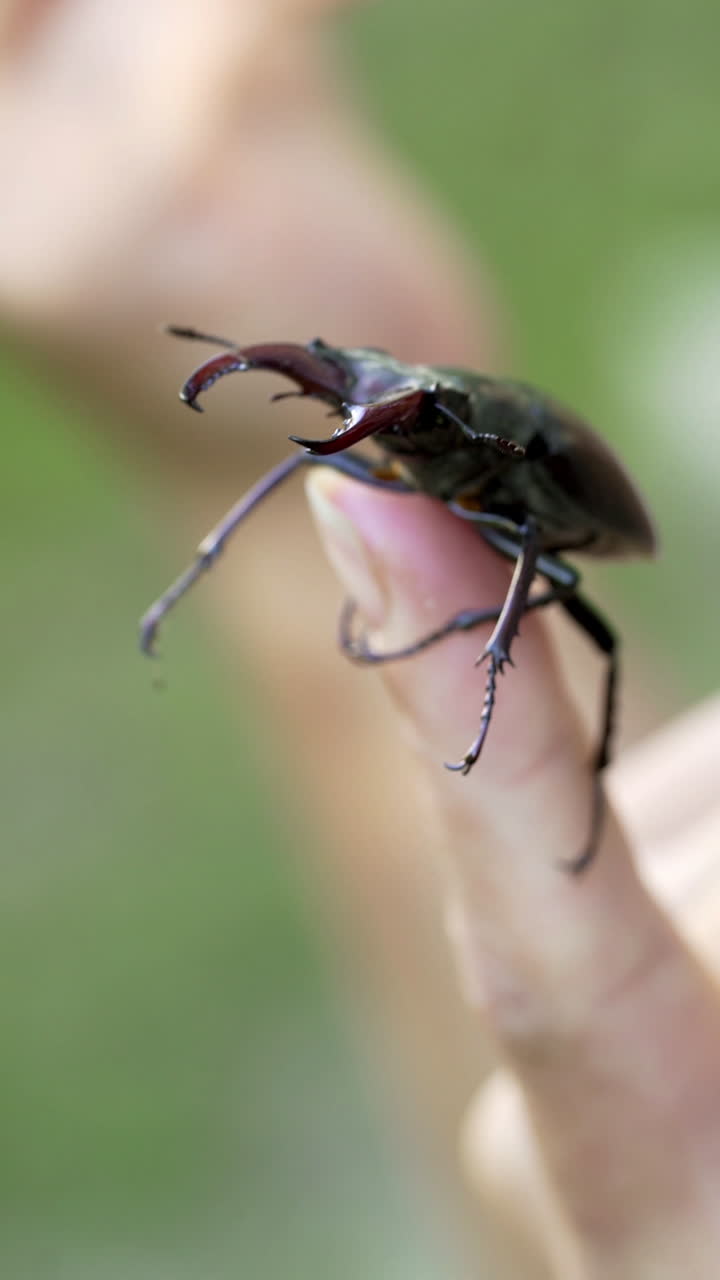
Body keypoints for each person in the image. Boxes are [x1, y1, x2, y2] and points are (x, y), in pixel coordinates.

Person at [2, 1, 719, 1274]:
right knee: (327, 485)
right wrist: (248, 516)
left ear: (466, 434)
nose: (367, 413)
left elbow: (541, 569)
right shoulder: (415, 429)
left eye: (393, 404)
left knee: (545, 599)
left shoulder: (502, 457)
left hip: (564, 520)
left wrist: (487, 659)